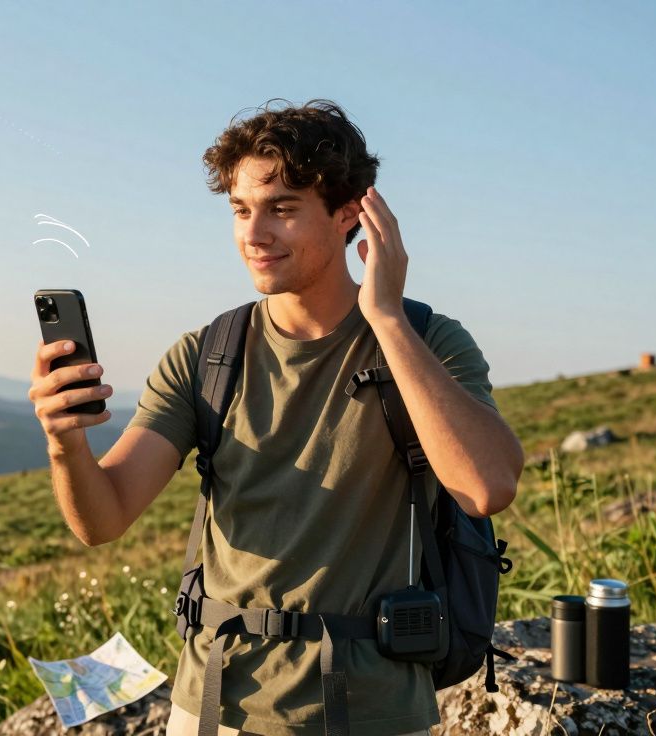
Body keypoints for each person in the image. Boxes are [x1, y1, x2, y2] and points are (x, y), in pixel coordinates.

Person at [28, 99, 524, 736]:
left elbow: (487, 487)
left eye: (282, 209)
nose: (253, 234)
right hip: (212, 709)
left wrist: (389, 320)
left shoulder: (429, 341)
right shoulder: (208, 356)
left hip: (370, 713)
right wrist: (64, 441)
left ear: (350, 214)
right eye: (240, 209)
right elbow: (103, 519)